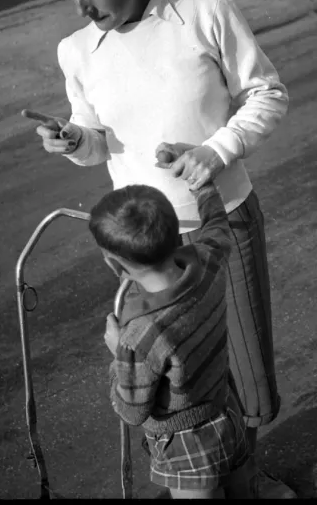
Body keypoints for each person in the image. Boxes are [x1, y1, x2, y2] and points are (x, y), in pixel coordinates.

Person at [23, 0, 292, 497]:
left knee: (243, 368)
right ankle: (201, 479)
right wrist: (73, 140)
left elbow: (267, 93)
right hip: (140, 249)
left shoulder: (204, 12)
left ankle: (247, 481)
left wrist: (217, 148)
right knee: (176, 379)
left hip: (221, 223)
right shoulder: (77, 51)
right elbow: (97, 141)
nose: (82, 8)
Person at [90, 180, 252, 498]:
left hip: (185, 438)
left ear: (112, 263)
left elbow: (132, 410)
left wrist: (117, 355)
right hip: (226, 406)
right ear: (176, 233)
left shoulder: (140, 336)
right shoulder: (208, 261)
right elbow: (217, 225)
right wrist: (203, 188)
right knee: (240, 490)